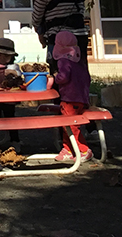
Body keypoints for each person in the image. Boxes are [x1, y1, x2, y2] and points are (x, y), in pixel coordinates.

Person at [52, 30, 93, 162]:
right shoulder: (79, 61)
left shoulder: (63, 61)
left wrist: (55, 78)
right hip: (81, 98)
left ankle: (84, 150)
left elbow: (63, 77)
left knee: (70, 126)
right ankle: (68, 149)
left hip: (69, 99)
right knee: (69, 125)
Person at [0, 37, 21, 153]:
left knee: (11, 120)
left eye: (6, 56)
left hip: (9, 99)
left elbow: (18, 74)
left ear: (12, 57)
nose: (2, 58)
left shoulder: (13, 67)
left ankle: (15, 141)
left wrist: (9, 73)